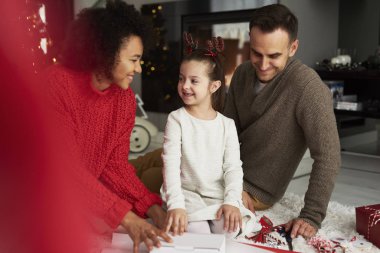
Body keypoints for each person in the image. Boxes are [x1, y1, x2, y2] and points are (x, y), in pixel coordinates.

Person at [44, 1, 171, 252]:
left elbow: (115, 166)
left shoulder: (123, 99)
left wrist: (151, 206)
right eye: (133, 59)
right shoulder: (57, 85)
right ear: (105, 53)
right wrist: (125, 216)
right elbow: (64, 170)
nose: (138, 68)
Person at [223, 4, 341, 239]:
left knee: (159, 178)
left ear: (293, 47)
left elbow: (328, 156)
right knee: (157, 159)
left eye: (274, 55)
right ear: (249, 40)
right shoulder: (242, 73)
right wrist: (227, 180)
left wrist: (311, 216)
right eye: (257, 53)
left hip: (255, 189)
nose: (264, 64)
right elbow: (225, 132)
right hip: (225, 172)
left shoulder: (309, 88)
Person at [160, 33, 260, 237]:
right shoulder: (176, 119)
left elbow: (232, 167)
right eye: (181, 79)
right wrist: (176, 205)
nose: (185, 86)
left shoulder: (226, 125)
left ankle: (216, 219)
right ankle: (190, 220)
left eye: (194, 81)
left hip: (216, 195)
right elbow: (170, 165)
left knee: (231, 229)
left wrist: (231, 202)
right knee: (196, 232)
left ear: (213, 86)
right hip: (187, 194)